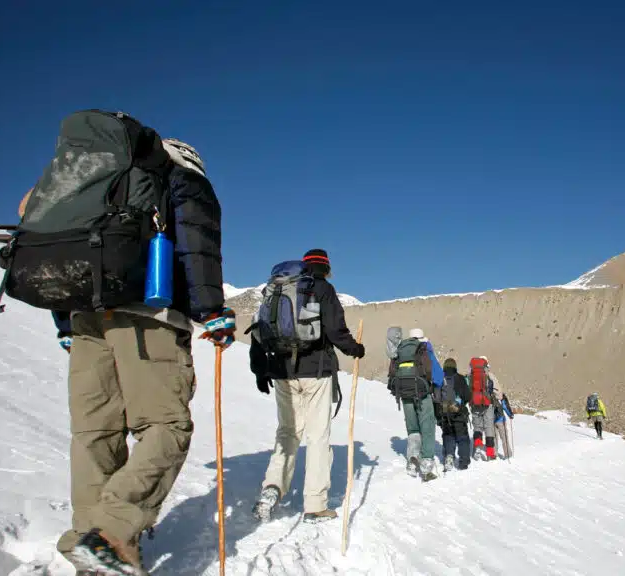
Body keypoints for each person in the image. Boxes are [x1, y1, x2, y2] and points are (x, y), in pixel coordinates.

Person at [38, 136, 232, 575]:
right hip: (150, 311)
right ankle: (108, 534)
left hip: (85, 315)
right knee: (166, 426)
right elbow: (196, 245)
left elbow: (58, 248)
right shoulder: (181, 179)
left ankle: (94, 551)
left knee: (95, 434)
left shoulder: (90, 186)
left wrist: (66, 324)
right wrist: (213, 311)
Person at [249, 249, 365, 524]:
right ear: (326, 268)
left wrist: (260, 370)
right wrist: (355, 349)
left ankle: (271, 490)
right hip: (317, 373)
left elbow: (257, 331)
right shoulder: (323, 289)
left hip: (281, 373)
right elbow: (336, 330)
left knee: (287, 433)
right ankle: (315, 505)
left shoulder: (275, 290)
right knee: (317, 437)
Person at [387, 328, 442, 481]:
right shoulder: (424, 349)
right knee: (427, 427)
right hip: (423, 394)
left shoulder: (401, 350)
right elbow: (437, 375)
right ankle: (426, 466)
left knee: (413, 428)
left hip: (405, 394)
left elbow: (392, 372)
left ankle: (412, 459)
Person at [435, 358, 472, 472]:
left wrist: (439, 413)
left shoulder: (440, 379)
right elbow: (467, 396)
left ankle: (449, 456)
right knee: (462, 437)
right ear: (455, 367)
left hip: (445, 413)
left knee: (448, 435)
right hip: (459, 412)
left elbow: (436, 398)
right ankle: (463, 462)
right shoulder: (460, 378)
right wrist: (461, 404)